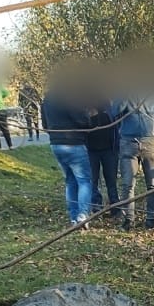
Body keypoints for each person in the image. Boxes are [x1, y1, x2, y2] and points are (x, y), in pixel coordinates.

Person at [41, 88, 93, 226]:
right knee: (84, 181)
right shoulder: (70, 97)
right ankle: (83, 215)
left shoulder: (47, 99)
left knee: (70, 181)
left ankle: (73, 216)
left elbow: (45, 125)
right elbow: (82, 120)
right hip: (74, 142)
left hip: (56, 144)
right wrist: (88, 116)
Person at [115, 95, 154, 230]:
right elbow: (115, 111)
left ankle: (151, 219)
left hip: (150, 142)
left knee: (152, 184)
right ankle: (129, 219)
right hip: (128, 142)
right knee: (128, 184)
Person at [85, 104, 122, 221]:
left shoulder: (110, 106)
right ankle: (96, 207)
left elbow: (118, 122)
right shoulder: (85, 106)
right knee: (93, 180)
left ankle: (115, 207)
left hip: (109, 149)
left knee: (111, 180)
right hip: (91, 150)